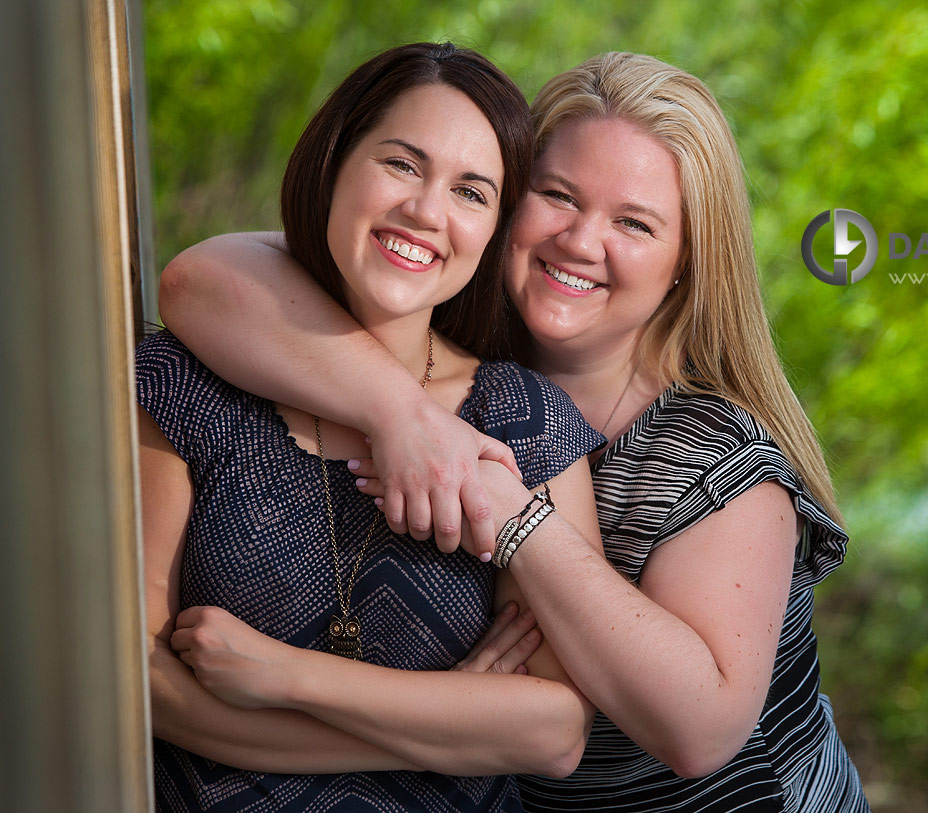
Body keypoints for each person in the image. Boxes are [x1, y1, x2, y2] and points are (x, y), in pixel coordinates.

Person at [161, 52, 869, 812]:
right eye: (557, 196)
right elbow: (205, 280)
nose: (580, 240)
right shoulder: (464, 352)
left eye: (633, 223)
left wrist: (514, 517)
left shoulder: (716, 457)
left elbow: (699, 730)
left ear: (684, 262)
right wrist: (401, 413)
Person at [139, 42, 606, 813]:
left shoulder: (522, 422)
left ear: (494, 230)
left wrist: (284, 677)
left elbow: (553, 729)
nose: (426, 211)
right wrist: (450, 717)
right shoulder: (186, 378)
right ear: (334, 163)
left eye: (472, 192)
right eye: (401, 164)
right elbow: (137, 676)